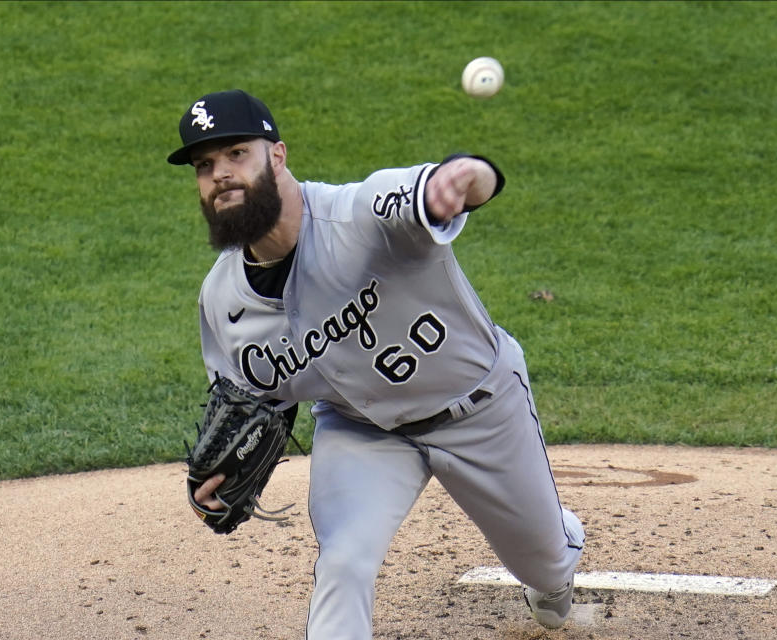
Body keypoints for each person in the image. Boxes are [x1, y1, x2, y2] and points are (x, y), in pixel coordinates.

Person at [168, 89, 584, 638]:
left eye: (236, 154)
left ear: (277, 156)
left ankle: (558, 548)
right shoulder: (222, 301)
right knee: (342, 561)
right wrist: (222, 471)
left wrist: (462, 177)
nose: (220, 173)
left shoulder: (360, 215)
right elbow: (248, 404)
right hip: (362, 430)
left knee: (545, 567)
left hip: (480, 408)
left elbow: (463, 183)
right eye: (204, 165)